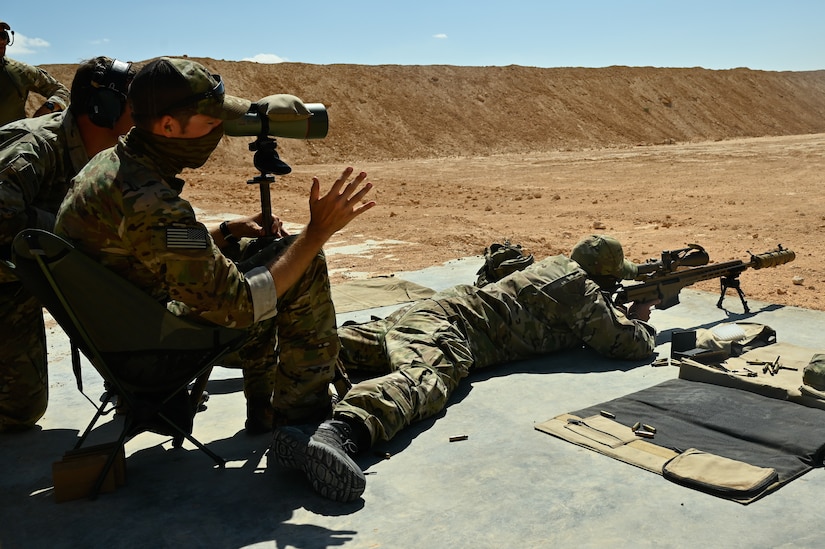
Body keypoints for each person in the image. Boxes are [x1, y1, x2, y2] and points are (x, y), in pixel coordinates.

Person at [54, 57, 375, 434]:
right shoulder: (149, 200)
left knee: (264, 254)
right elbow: (240, 305)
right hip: (156, 350)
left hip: (129, 328)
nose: (218, 132)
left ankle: (264, 412)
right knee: (304, 264)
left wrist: (226, 231)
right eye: (209, 123)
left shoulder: (112, 167)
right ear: (169, 126)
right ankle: (303, 422)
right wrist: (316, 232)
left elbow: (152, 247)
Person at [271, 234, 659, 502]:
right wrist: (641, 319)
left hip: (428, 311)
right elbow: (626, 345)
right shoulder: (581, 290)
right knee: (424, 382)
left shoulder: (554, 268)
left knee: (324, 343)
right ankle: (339, 433)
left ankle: (258, 363)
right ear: (605, 275)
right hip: (451, 330)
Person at [0, 56, 135, 432]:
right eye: (131, 105)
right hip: (6, 275)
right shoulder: (33, 149)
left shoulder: (109, 154)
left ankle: (135, 382)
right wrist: (69, 233)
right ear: (103, 109)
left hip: (25, 270)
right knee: (17, 411)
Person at [0, 20, 70, 126]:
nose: (1, 41)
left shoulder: (21, 71)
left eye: (3, 35)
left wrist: (47, 108)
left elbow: (61, 91)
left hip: (11, 141)